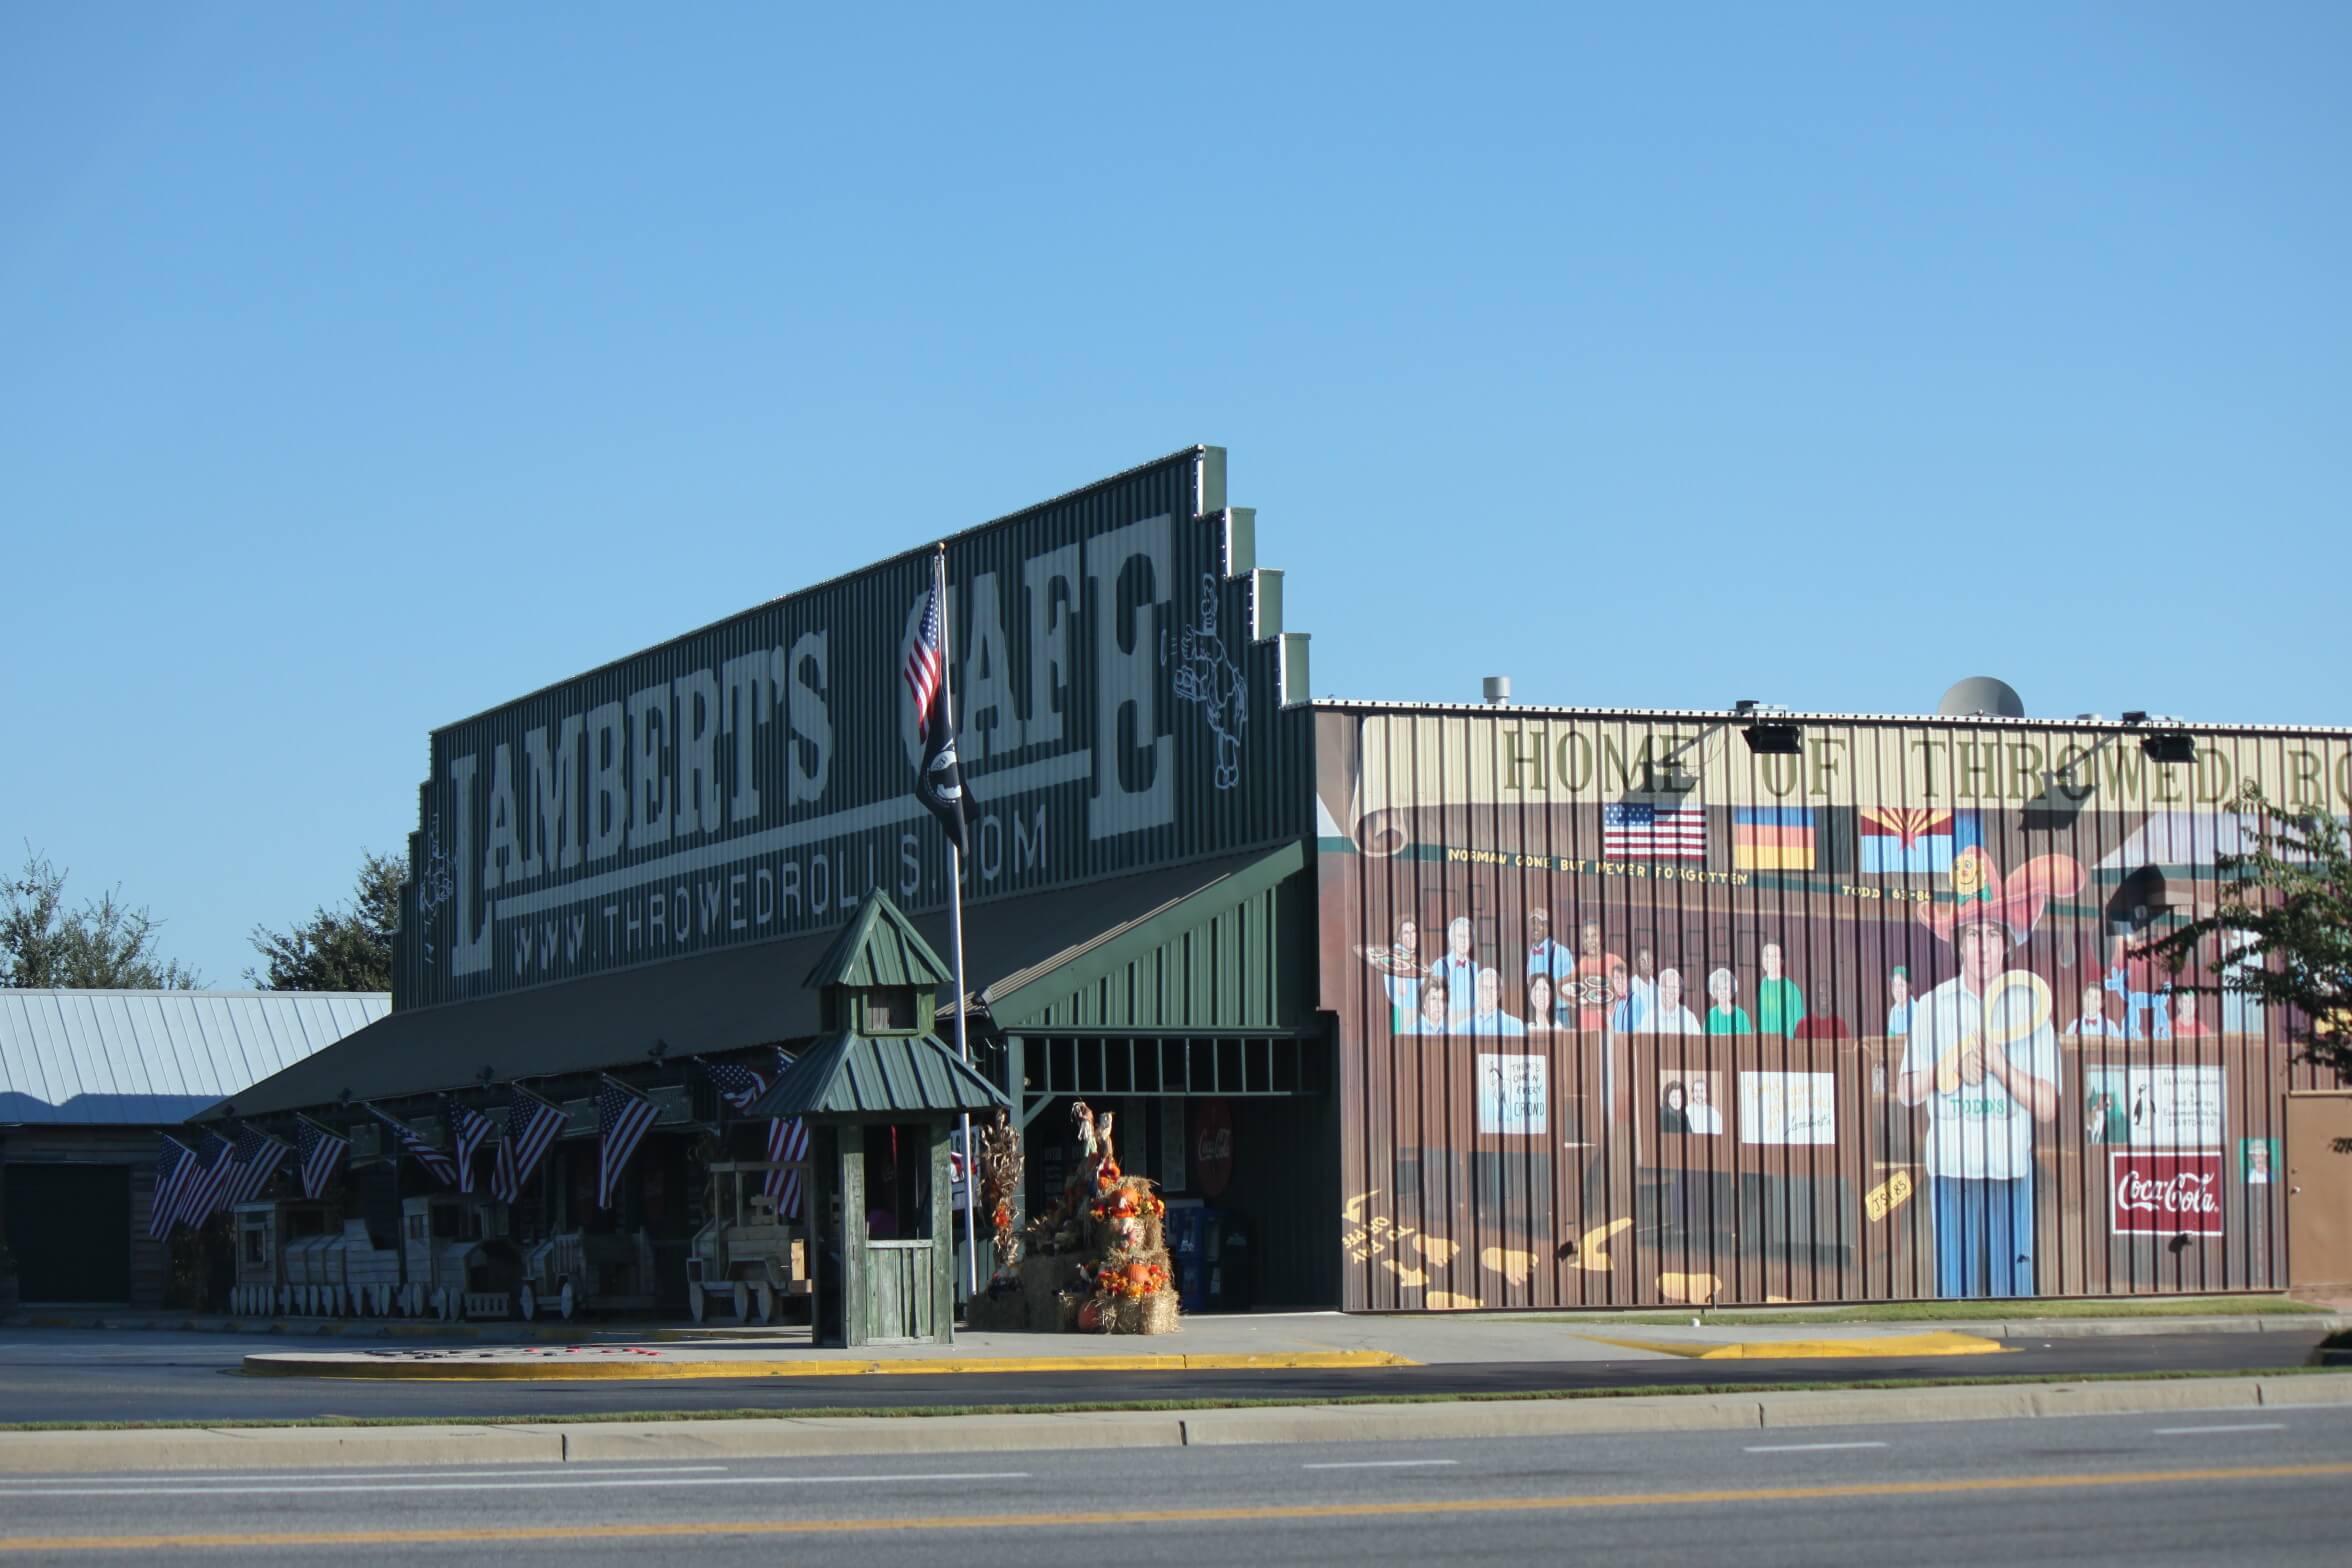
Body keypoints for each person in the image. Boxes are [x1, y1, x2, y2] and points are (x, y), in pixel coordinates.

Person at [1896, 848, 2078, 1299]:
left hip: (2010, 1169)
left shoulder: (2030, 1006)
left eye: (1992, 935)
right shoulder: (1933, 1007)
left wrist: (2000, 1065)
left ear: (2006, 943)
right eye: (1973, 933)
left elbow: (2049, 1106)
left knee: (2013, 1292)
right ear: (1959, 942)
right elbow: (1905, 1091)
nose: (1981, 946)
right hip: (1950, 1171)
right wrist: (1946, 1070)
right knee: (1952, 1293)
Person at [1755, 941, 1806, 1040]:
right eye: (1766, 956)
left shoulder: (1791, 989)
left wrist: (1783, 1039)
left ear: (1782, 961)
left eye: (1774, 956)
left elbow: (1798, 1018)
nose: (1770, 960)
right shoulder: (1762, 986)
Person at [1432, 917, 1480, 1021]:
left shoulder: (1475, 968)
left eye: (1467, 936)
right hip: (1447, 1021)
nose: (1463, 941)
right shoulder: (1439, 966)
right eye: (1460, 936)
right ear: (1452, 939)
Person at [1381, 917, 1426, 1029]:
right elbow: (1402, 991)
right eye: (1406, 933)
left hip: (1415, 1011)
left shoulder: (1411, 956)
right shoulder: (1398, 956)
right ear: (1399, 937)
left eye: (1413, 931)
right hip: (1404, 1012)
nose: (1411, 936)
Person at [1526, 909, 1576, 999]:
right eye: (1533, 923)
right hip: (1537, 1010)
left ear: (1547, 927)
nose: (1535, 927)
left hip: (1559, 1010)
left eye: (1540, 923)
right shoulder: (1529, 954)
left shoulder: (1562, 952)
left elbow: (1572, 985)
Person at [1465, 966, 1525, 1037]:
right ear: (1476, 991)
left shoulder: (1516, 1026)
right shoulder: (1461, 1028)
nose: (1487, 993)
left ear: (1498, 993)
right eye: (1484, 988)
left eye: (1492, 988)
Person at [1640, 967, 1703, 1034]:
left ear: (1679, 991)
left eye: (1674, 987)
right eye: (1666, 987)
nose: (1670, 992)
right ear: (1659, 990)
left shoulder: (1690, 1019)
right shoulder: (1648, 1019)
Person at [1705, 967, 1753, 1035]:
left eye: (1725, 988)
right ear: (1714, 992)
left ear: (1731, 990)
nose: (1722, 992)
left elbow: (1749, 1042)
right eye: (1718, 988)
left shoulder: (1741, 1016)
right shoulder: (1711, 1016)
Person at [1605, 959, 1646, 1034]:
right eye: (1617, 978)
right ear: (1613, 981)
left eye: (1623, 978)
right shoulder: (1615, 1002)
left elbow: (1642, 1030)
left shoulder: (1637, 1001)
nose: (1620, 982)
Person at [1886, 967, 1914, 1038]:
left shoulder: (1918, 1009)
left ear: (1910, 987)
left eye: (1901, 985)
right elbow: (1891, 1041)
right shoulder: (1893, 1011)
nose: (1897, 990)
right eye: (1894, 985)